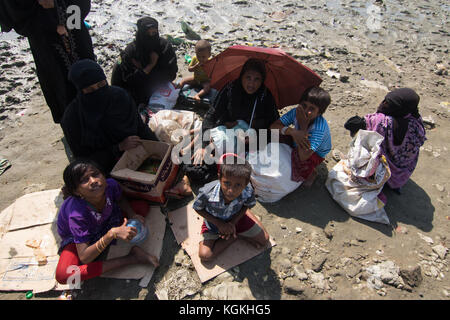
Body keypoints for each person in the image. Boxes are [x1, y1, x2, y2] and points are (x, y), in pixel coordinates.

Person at [55, 159, 159, 286]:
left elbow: (120, 200)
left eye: (95, 174)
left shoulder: (110, 186)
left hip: (107, 219)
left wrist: (132, 214)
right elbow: (85, 257)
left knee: (142, 208)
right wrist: (111, 234)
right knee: (64, 275)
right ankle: (132, 258)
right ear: (77, 191)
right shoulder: (77, 214)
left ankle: (113, 233)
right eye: (84, 180)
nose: (93, 181)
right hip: (78, 237)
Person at [0, 0, 95, 123]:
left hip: (76, 30)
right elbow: (15, 14)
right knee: (60, 85)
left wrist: (57, 5)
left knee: (91, 77)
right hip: (45, 42)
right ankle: (73, 127)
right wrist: (52, 22)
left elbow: (82, 4)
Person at [61, 59, 157, 174]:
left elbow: (140, 128)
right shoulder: (73, 117)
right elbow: (83, 159)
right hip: (103, 168)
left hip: (136, 153)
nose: (98, 91)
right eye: (90, 90)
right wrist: (118, 148)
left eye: (101, 84)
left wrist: (160, 147)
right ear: (80, 91)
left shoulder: (120, 97)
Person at [191, 58, 280, 166]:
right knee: (204, 156)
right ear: (242, 76)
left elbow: (275, 126)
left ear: (262, 81)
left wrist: (255, 138)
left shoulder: (265, 96)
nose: (251, 84)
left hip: (253, 142)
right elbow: (212, 114)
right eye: (248, 77)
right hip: (227, 132)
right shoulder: (230, 89)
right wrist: (203, 146)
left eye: (257, 79)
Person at [249, 86, 332, 203]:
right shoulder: (296, 112)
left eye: (312, 109)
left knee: (300, 166)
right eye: (304, 105)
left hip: (314, 153)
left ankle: (311, 173)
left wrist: (303, 127)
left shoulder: (319, 128)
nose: (306, 111)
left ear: (319, 113)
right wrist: (292, 131)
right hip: (298, 139)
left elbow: (304, 156)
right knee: (274, 135)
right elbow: (274, 126)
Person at [344, 88, 426, 191]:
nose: (383, 103)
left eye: (387, 103)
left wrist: (363, 123)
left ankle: (365, 172)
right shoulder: (416, 124)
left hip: (377, 173)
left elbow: (350, 124)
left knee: (362, 135)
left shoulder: (381, 121)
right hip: (400, 177)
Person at [192, 154, 269, 262]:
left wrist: (233, 223)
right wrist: (219, 224)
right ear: (219, 178)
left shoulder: (248, 190)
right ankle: (233, 236)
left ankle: (236, 229)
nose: (231, 191)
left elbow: (247, 205)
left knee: (264, 240)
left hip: (237, 218)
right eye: (227, 183)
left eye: (238, 185)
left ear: (246, 183)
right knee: (205, 256)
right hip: (213, 225)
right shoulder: (207, 193)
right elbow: (197, 208)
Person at [111, 16, 178, 107]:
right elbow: (128, 81)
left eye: (154, 33)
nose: (151, 37)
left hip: (156, 88)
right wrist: (150, 66)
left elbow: (171, 74)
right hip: (134, 92)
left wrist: (143, 73)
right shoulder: (131, 52)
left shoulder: (164, 47)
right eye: (147, 34)